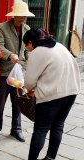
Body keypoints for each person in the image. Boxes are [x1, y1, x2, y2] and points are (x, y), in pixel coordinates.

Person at [23, 28, 81, 160]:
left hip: (52, 97)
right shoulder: (60, 46)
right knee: (58, 126)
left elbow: (28, 83)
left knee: (41, 129)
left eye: (26, 46)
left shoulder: (38, 52)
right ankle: (50, 158)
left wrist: (33, 90)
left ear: (31, 42)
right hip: (71, 92)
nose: (28, 49)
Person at [0, 1, 34, 142]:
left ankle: (16, 130)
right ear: (14, 15)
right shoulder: (2, 27)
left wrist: (30, 64)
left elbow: (28, 51)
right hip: (5, 73)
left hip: (19, 73)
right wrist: (10, 55)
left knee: (19, 104)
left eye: (24, 16)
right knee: (0, 104)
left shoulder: (27, 29)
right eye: (20, 16)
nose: (22, 19)